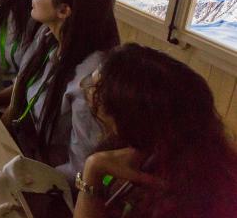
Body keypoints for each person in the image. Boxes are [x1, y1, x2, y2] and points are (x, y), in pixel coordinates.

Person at [74, 43, 237, 217]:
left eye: (98, 91)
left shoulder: (193, 198)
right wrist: (94, 168)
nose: (89, 92)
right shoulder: (131, 147)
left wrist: (93, 171)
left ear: (131, 116)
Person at [3, 0, 119, 185]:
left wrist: (24, 178)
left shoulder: (90, 80)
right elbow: (19, 96)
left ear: (64, 11)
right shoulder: (48, 39)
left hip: (44, 180)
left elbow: (81, 169)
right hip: (22, 152)